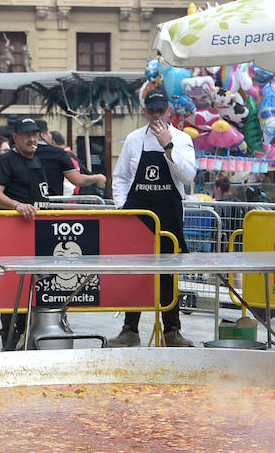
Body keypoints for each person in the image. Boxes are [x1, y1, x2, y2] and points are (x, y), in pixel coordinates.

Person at [107, 90, 197, 348]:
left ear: (169, 110)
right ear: (145, 111)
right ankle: (129, 330)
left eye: (161, 110)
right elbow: (121, 176)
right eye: (152, 110)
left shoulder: (181, 139)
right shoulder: (134, 140)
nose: (156, 115)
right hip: (138, 217)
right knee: (136, 272)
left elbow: (189, 175)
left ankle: (172, 331)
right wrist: (123, 208)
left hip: (169, 216)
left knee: (169, 272)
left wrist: (168, 146)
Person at [0, 118, 52, 347]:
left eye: (35, 134)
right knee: (13, 290)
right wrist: (17, 206)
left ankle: (36, 339)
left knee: (41, 291)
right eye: (27, 135)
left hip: (40, 235)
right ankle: (10, 340)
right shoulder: (6, 161)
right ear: (15, 137)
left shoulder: (40, 159)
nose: (32, 139)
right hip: (15, 236)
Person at [35, 123, 105, 198]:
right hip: (53, 204)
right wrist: (97, 178)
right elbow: (77, 180)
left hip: (27, 206)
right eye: (49, 132)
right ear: (43, 135)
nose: (50, 135)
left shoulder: (24, 153)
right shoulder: (59, 154)